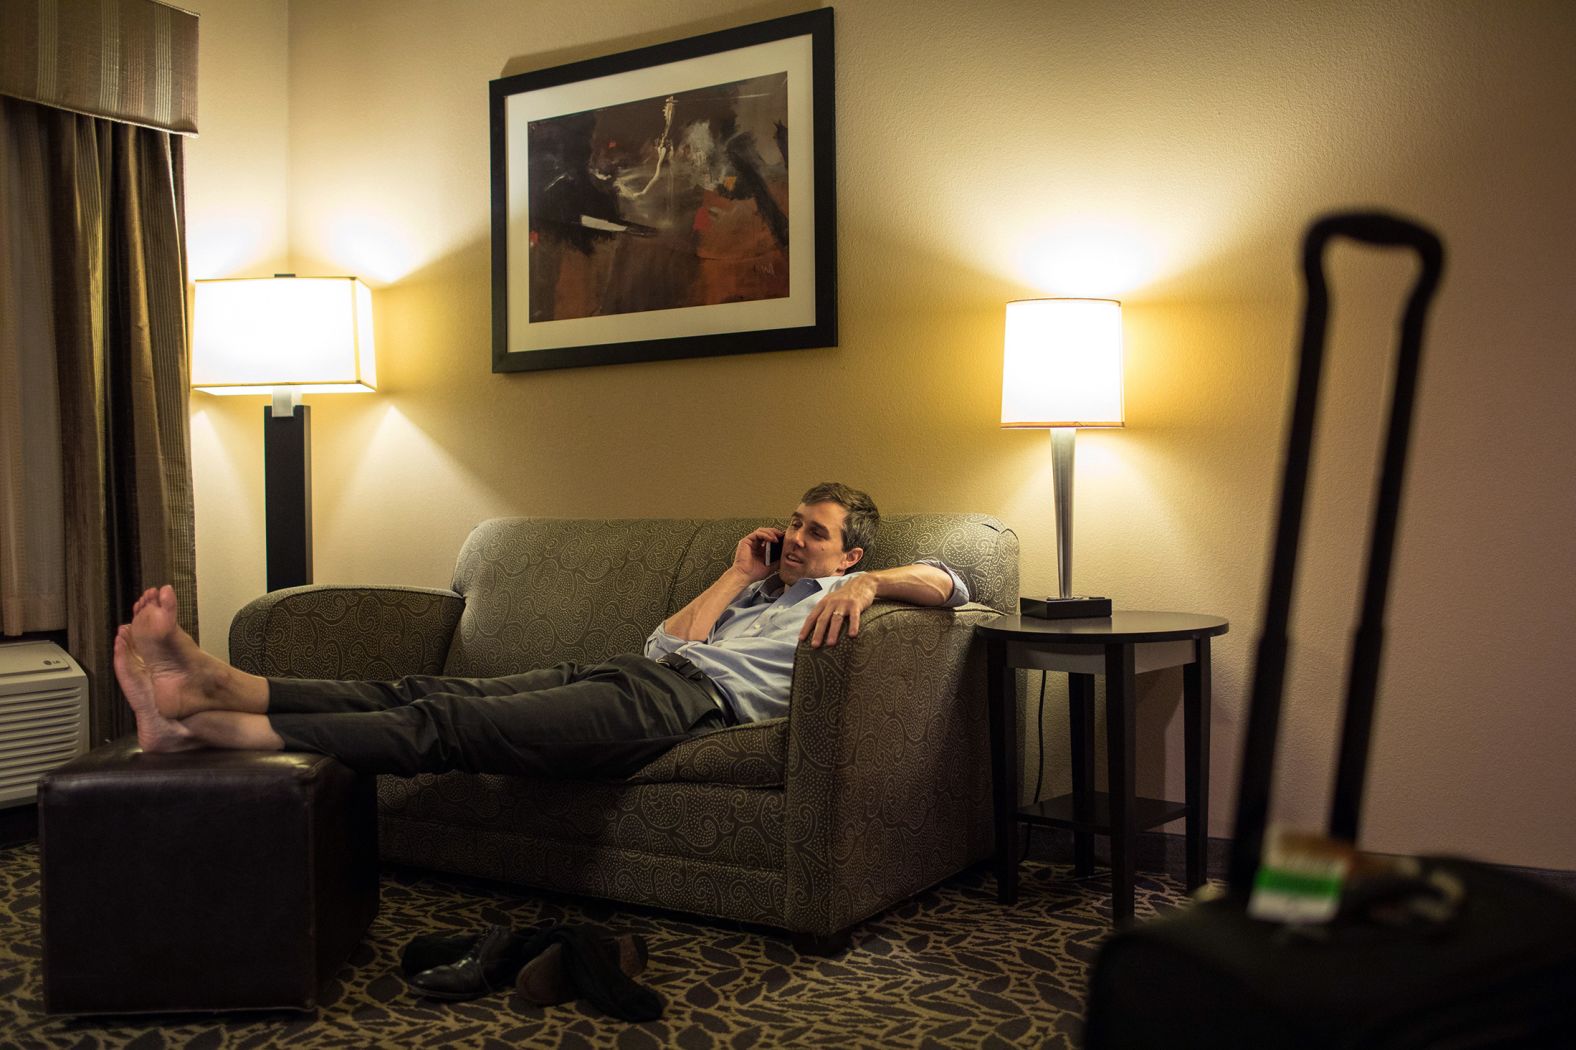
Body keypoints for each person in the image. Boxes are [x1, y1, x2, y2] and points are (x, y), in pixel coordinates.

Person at [114, 482, 969, 779]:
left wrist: (870, 584)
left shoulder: (864, 589)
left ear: (849, 549)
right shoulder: (752, 591)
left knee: (452, 725)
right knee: (427, 690)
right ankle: (223, 684)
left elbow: (955, 583)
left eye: (813, 532)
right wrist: (739, 573)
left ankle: (220, 728)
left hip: (682, 710)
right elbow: (662, 646)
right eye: (791, 522)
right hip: (634, 679)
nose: (793, 538)